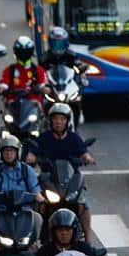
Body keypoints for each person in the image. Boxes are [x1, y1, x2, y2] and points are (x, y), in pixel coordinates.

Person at [27, 101, 95, 241]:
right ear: (50, 121)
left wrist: (88, 158)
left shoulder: (73, 137)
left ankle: (88, 240)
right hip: (49, 179)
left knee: (83, 205)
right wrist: (31, 158)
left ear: (67, 121)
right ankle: (33, 239)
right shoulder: (44, 138)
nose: (59, 122)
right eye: (56, 119)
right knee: (36, 205)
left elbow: (83, 151)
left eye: (62, 119)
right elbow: (33, 153)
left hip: (71, 179)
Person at [0, 35, 47, 107]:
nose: (23, 55)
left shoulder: (38, 70)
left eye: (26, 52)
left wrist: (45, 89)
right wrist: (0, 89)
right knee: (5, 112)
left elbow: (44, 85)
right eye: (21, 52)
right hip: (14, 103)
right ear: (16, 52)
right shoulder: (9, 70)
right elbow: (3, 84)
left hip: (33, 104)